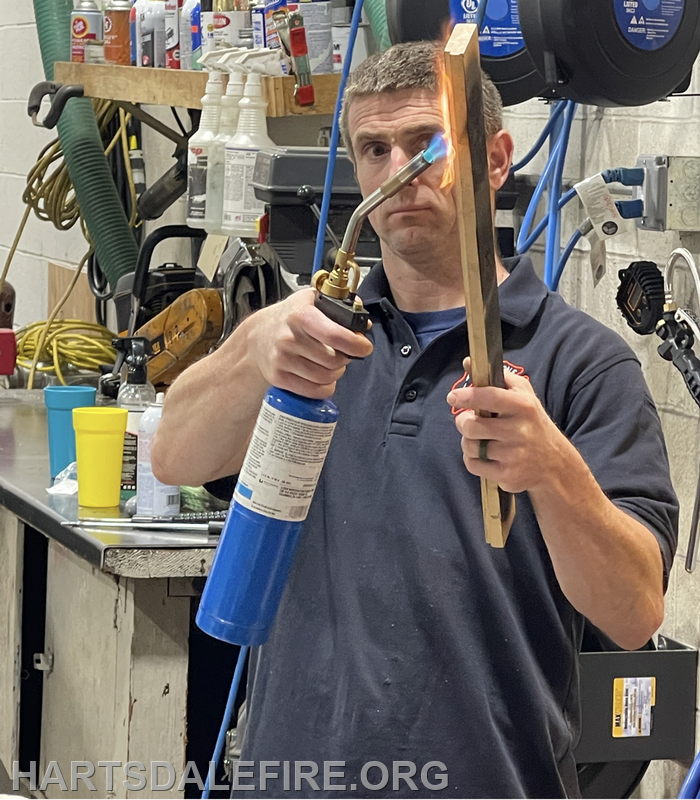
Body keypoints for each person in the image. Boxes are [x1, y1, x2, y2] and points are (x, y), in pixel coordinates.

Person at [153, 42, 678, 798]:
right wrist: (254, 345)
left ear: (495, 160)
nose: (398, 169)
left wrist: (552, 471)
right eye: (374, 148)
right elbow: (172, 456)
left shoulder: (582, 364)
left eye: (425, 144)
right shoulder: (313, 340)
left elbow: (634, 615)